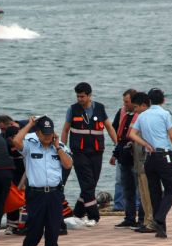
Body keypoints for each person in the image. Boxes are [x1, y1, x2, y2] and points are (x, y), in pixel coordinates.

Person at [13, 116, 73, 246]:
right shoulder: (30, 145)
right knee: (35, 232)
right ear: (38, 133)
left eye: (50, 133)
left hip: (54, 194)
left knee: (53, 233)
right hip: (36, 195)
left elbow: (68, 165)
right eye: (44, 134)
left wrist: (58, 148)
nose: (47, 137)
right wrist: (30, 124)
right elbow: (16, 141)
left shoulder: (59, 146)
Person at [129, 88, 172, 238]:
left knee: (155, 194)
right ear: (163, 100)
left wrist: (145, 144)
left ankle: (161, 229)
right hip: (163, 156)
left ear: (148, 101)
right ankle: (159, 219)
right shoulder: (164, 113)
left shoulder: (142, 116)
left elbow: (132, 134)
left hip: (150, 158)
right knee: (171, 190)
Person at [61, 82, 118, 225]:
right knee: (87, 184)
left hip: (97, 152)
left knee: (91, 183)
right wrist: (62, 149)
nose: (79, 99)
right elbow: (65, 130)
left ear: (89, 95)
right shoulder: (72, 110)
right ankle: (94, 216)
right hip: (79, 152)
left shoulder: (100, 108)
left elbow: (109, 128)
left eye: (82, 96)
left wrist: (118, 145)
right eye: (78, 96)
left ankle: (78, 213)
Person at [110, 89, 144, 228]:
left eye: (127, 102)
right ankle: (129, 217)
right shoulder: (122, 112)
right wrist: (115, 154)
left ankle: (142, 219)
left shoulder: (142, 116)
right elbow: (119, 136)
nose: (125, 104)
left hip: (136, 156)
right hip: (123, 156)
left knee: (140, 189)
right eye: (124, 101)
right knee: (127, 188)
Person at [130, 92, 156, 234]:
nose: (135, 110)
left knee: (148, 193)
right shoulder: (141, 118)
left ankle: (151, 221)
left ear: (144, 105)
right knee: (143, 193)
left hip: (146, 162)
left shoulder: (147, 119)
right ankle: (147, 220)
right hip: (139, 162)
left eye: (136, 107)